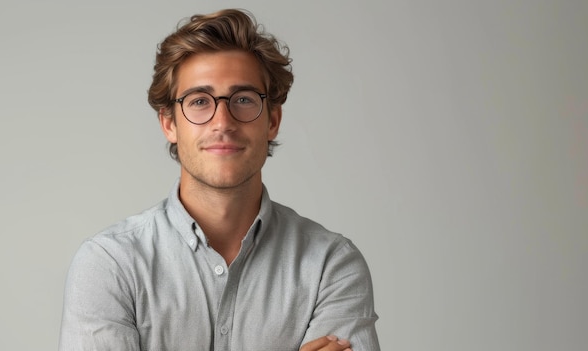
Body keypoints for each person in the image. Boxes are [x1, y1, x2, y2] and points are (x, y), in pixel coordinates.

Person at [59, 8, 379, 351]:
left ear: (272, 120)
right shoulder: (110, 263)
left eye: (243, 99)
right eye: (199, 101)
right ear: (169, 124)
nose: (222, 121)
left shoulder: (331, 265)